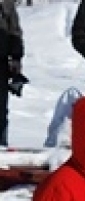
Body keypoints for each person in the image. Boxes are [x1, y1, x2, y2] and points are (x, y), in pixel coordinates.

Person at [0, 0, 24, 146]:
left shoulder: (6, 5)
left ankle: (1, 147)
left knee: (1, 110)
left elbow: (15, 33)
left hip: (2, 63)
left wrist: (16, 59)